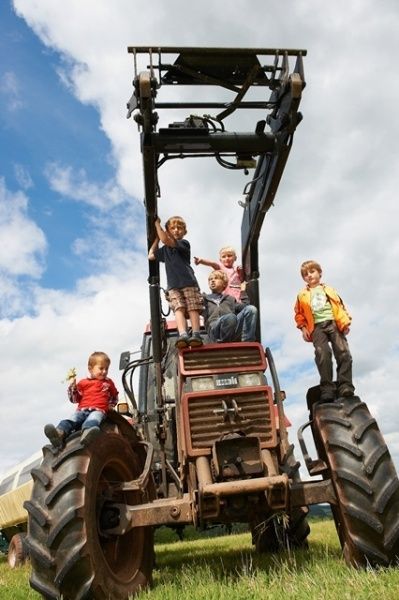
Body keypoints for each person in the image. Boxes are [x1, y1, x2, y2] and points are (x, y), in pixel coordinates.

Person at [294, 260, 355, 402]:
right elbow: (299, 314)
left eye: (312, 271)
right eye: (305, 274)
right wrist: (303, 328)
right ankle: (327, 389)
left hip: (333, 323)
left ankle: (345, 385)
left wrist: (345, 322)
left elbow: (340, 306)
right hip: (316, 327)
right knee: (323, 354)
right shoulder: (302, 295)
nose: (309, 275)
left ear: (319, 273)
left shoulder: (329, 289)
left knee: (343, 352)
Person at [149, 215, 203, 348]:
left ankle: (196, 333)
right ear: (167, 231)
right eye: (172, 228)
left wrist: (157, 225)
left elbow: (166, 240)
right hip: (173, 286)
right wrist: (156, 239)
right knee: (178, 308)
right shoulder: (164, 250)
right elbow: (151, 255)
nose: (176, 230)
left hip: (188, 282)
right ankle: (183, 333)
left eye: (179, 228)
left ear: (184, 232)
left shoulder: (183, 244)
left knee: (192, 307)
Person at [44, 351, 119, 448]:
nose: (104, 371)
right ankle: (59, 433)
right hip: (82, 410)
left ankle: (88, 433)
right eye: (101, 368)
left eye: (106, 369)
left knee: (94, 419)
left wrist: (111, 405)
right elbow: (75, 399)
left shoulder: (108, 383)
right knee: (72, 419)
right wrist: (73, 388)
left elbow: (114, 395)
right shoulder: (83, 383)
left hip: (99, 410)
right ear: (90, 369)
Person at [203, 270, 257, 342]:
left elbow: (246, 307)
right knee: (231, 317)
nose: (212, 281)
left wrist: (243, 291)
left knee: (251, 309)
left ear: (224, 284)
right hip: (215, 331)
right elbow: (194, 309)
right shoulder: (204, 298)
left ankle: (247, 341)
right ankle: (222, 341)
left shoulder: (230, 299)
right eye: (210, 279)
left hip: (231, 330)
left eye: (216, 278)